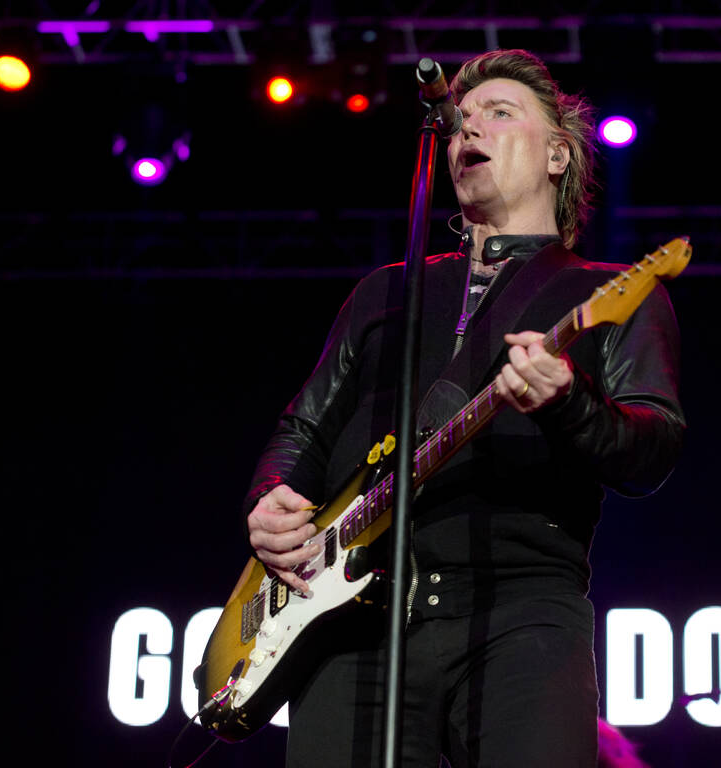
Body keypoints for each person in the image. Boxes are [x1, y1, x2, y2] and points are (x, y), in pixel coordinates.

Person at [243, 49, 684, 767]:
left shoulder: (606, 294)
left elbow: (653, 450)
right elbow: (302, 429)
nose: (466, 127)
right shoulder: (384, 292)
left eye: (499, 114)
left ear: (558, 156)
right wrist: (270, 498)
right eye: (459, 121)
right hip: (352, 622)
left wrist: (567, 402)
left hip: (519, 614)